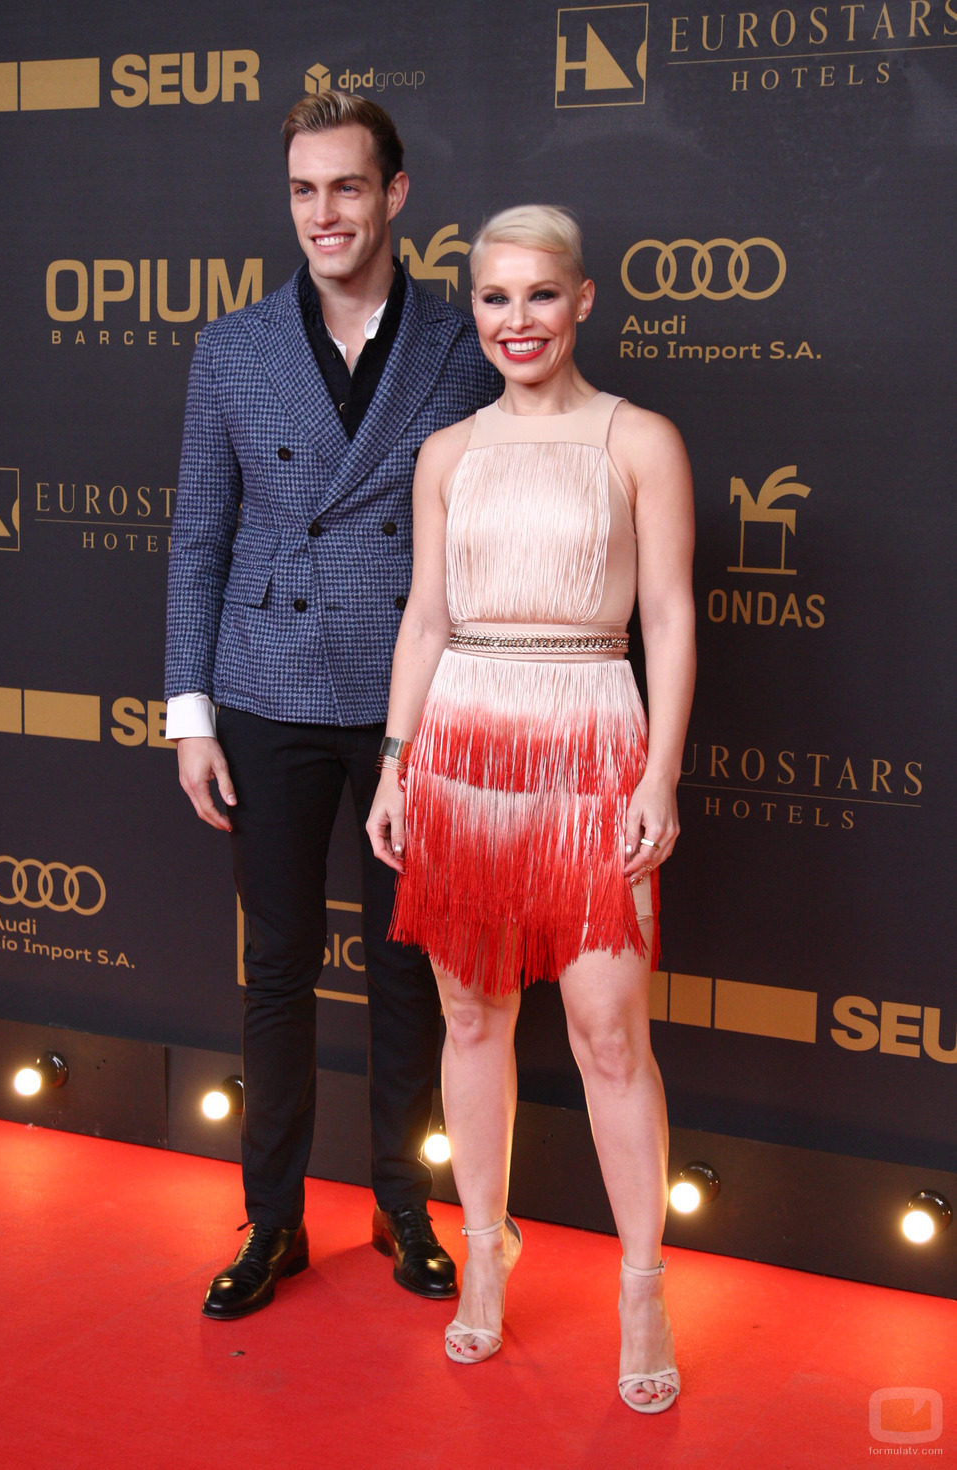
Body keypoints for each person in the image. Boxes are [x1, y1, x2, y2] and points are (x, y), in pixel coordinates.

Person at [164, 90, 501, 1321]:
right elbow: (198, 537)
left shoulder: (462, 343)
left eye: (347, 187)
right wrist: (189, 713)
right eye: (304, 190)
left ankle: (403, 1206)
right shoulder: (232, 347)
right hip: (267, 687)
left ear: (393, 195)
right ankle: (272, 1222)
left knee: (410, 966)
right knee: (277, 967)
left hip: (417, 695)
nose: (324, 213)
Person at [367, 205, 695, 1413]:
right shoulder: (446, 454)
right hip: (462, 749)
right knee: (469, 1020)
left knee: (608, 1034)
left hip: (593, 738)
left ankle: (642, 1287)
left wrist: (657, 773)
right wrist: (396, 762)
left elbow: (668, 616)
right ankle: (484, 1253)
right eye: (494, 298)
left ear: (582, 301)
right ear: (473, 310)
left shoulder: (637, 439)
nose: (517, 321)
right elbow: (424, 619)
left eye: (540, 295)